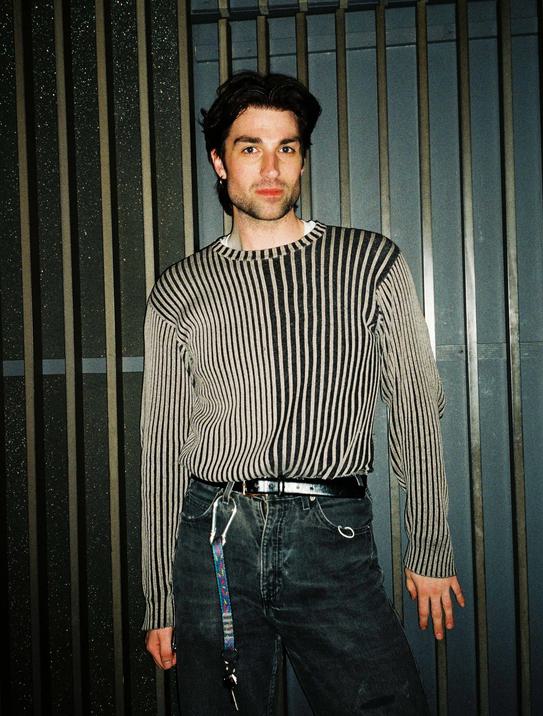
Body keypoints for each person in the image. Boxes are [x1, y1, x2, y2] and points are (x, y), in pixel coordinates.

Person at [141, 71, 465, 715]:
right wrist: (160, 596)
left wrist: (429, 544)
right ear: (220, 162)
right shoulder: (181, 287)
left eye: (286, 147)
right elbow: (163, 447)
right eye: (250, 147)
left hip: (329, 535)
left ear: (302, 159)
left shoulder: (368, 262)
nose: (270, 167)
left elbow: (416, 408)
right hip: (213, 541)